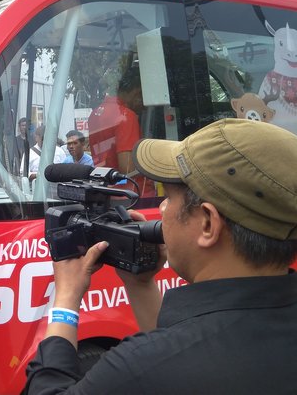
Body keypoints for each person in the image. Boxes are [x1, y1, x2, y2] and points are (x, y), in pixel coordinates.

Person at [22, 118, 297, 394]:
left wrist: (67, 299)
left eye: (169, 196)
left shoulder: (138, 368)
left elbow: (48, 388)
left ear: (208, 224)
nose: (162, 208)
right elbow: (183, 349)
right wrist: (140, 284)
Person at [88, 66, 154, 196]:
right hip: (135, 196)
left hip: (108, 190)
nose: (145, 107)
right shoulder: (125, 116)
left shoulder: (95, 113)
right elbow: (128, 169)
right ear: (138, 93)